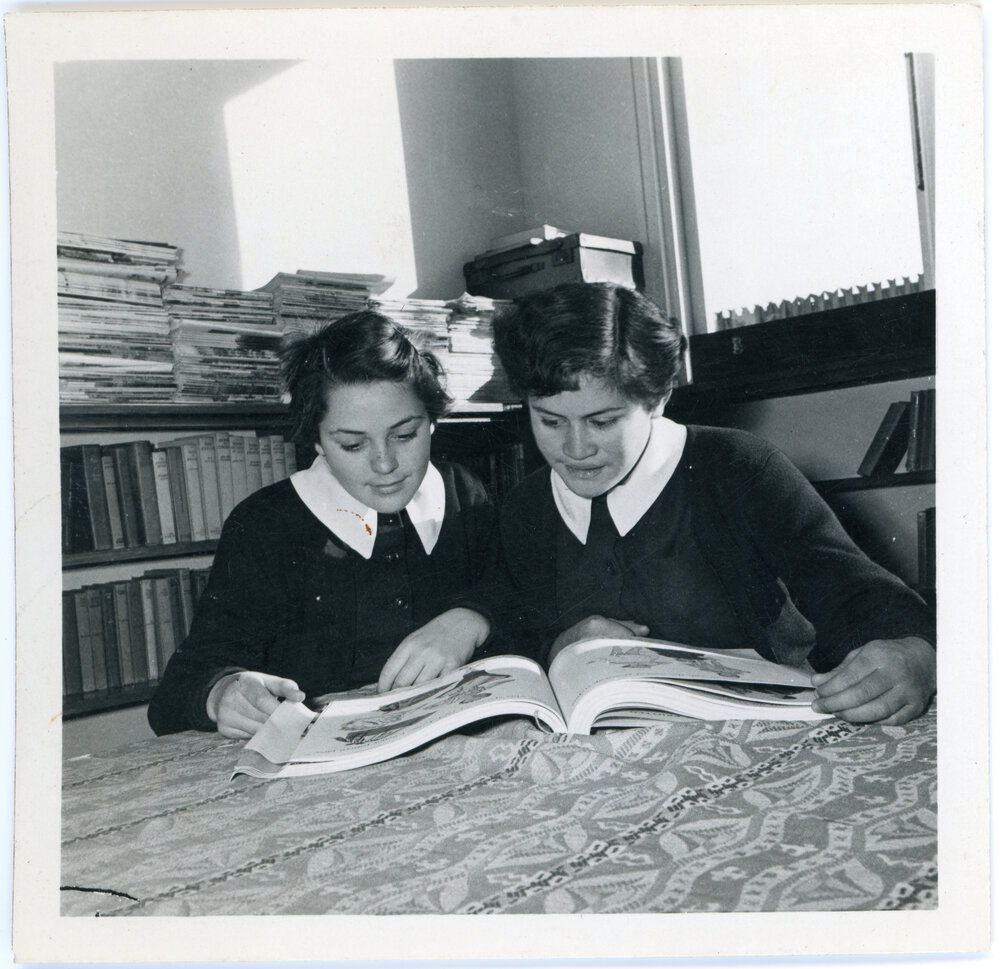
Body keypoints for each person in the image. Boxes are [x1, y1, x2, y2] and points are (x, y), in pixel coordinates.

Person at [492, 282, 936, 725]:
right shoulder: (525, 506)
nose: (575, 448)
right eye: (550, 421)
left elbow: (855, 593)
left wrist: (915, 651)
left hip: (766, 728)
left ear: (656, 399)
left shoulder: (738, 467)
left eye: (602, 421)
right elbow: (514, 638)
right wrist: (560, 646)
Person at [148, 311, 499, 739]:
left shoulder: (465, 493)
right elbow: (177, 690)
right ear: (316, 440)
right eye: (352, 444)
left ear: (432, 420)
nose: (385, 464)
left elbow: (513, 601)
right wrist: (221, 692)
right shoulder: (265, 524)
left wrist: (470, 617)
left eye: (405, 435)